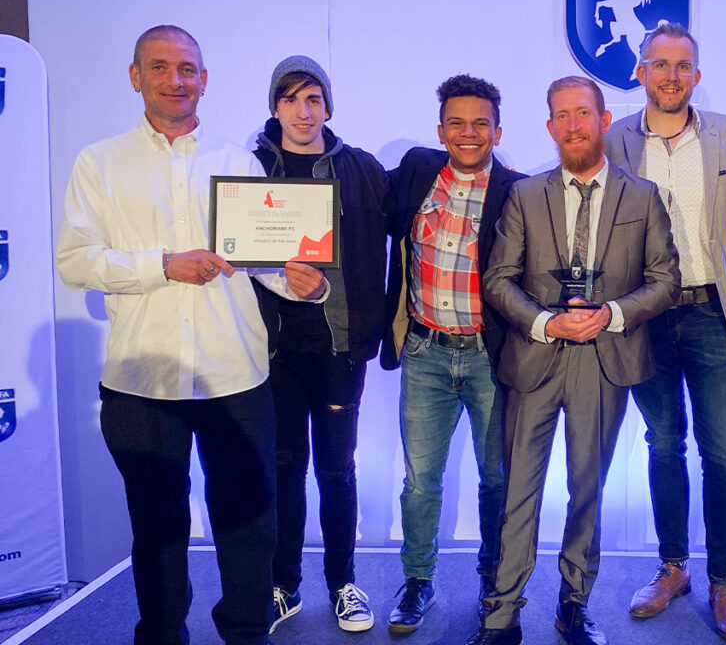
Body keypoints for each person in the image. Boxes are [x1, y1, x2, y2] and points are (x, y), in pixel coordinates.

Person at [55, 25, 327, 645]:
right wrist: (162, 265)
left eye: (187, 68)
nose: (175, 80)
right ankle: (162, 634)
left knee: (249, 525)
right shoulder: (98, 163)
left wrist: (303, 285)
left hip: (235, 373)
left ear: (204, 79)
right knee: (155, 524)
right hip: (140, 378)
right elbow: (75, 262)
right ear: (135, 77)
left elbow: (263, 264)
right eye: (160, 67)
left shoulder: (239, 162)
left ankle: (245, 633)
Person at [468, 76, 681, 645]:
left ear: (604, 118)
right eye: (561, 116)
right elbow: (498, 279)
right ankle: (502, 613)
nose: (572, 125)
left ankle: (573, 604)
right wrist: (545, 321)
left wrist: (610, 312)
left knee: (587, 487)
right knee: (519, 492)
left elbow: (666, 280)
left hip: (604, 357)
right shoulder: (525, 195)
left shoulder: (641, 196)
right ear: (549, 127)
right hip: (536, 356)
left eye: (582, 113)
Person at [605, 22, 726, 639]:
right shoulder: (614, 140)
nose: (671, 75)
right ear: (640, 72)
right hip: (645, 316)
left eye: (682, 65)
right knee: (664, 444)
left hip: (714, 311)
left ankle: (723, 580)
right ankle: (673, 568)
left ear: (697, 73)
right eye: (658, 64)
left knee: (723, 452)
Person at [381, 74, 526, 632]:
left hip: (491, 359)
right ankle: (419, 581)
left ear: (497, 130)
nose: (469, 134)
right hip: (426, 352)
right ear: (440, 129)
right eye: (457, 123)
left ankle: (494, 581)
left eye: (480, 124)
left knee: (497, 478)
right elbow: (354, 198)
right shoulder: (416, 173)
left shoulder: (516, 190)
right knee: (421, 480)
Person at [251, 55, 390, 633]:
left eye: (314, 99)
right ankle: (283, 585)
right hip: (271, 349)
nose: (303, 112)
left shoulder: (361, 169)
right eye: (291, 100)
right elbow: (230, 246)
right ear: (275, 107)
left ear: (328, 107)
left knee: (337, 471)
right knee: (284, 469)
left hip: (339, 346)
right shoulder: (247, 168)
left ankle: (344, 585)